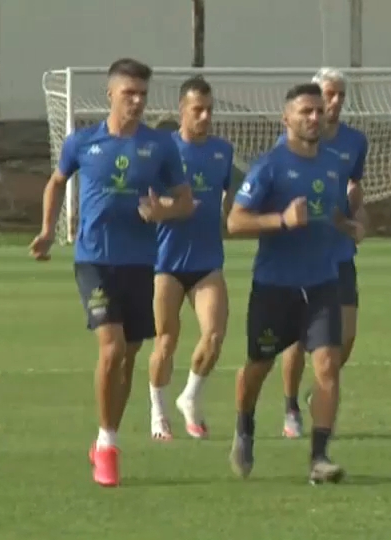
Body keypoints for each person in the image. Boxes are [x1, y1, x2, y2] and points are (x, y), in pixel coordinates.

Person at [28, 58, 195, 487]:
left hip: (141, 263)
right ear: (110, 95)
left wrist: (164, 210)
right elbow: (56, 181)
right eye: (129, 94)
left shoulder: (160, 147)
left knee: (129, 357)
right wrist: (48, 231)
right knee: (112, 348)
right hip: (94, 259)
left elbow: (186, 202)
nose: (137, 101)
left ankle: (110, 436)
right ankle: (106, 445)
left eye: (142, 94)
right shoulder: (83, 141)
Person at [225, 83, 364, 484]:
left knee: (326, 366)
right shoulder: (269, 166)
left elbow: (331, 210)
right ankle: (245, 426)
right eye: (306, 111)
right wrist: (280, 221)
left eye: (319, 111)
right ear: (287, 118)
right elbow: (235, 221)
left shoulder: (334, 164)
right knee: (258, 366)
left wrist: (349, 225)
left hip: (322, 282)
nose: (315, 118)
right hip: (275, 287)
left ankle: (319, 458)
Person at [278, 68, 370, 439]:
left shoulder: (354, 141)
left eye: (339, 96)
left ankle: (319, 390)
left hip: (339, 253)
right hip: (301, 255)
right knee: (299, 339)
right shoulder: (294, 141)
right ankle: (290, 407)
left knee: (344, 338)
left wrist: (357, 217)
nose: (333, 103)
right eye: (328, 95)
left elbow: (354, 187)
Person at [147, 76, 233, 441]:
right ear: (182, 110)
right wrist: (174, 207)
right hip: (165, 261)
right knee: (166, 341)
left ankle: (190, 398)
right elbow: (146, 205)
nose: (204, 116)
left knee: (213, 336)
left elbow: (229, 199)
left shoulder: (222, 151)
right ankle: (158, 410)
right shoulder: (161, 150)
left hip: (207, 259)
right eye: (197, 109)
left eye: (209, 109)